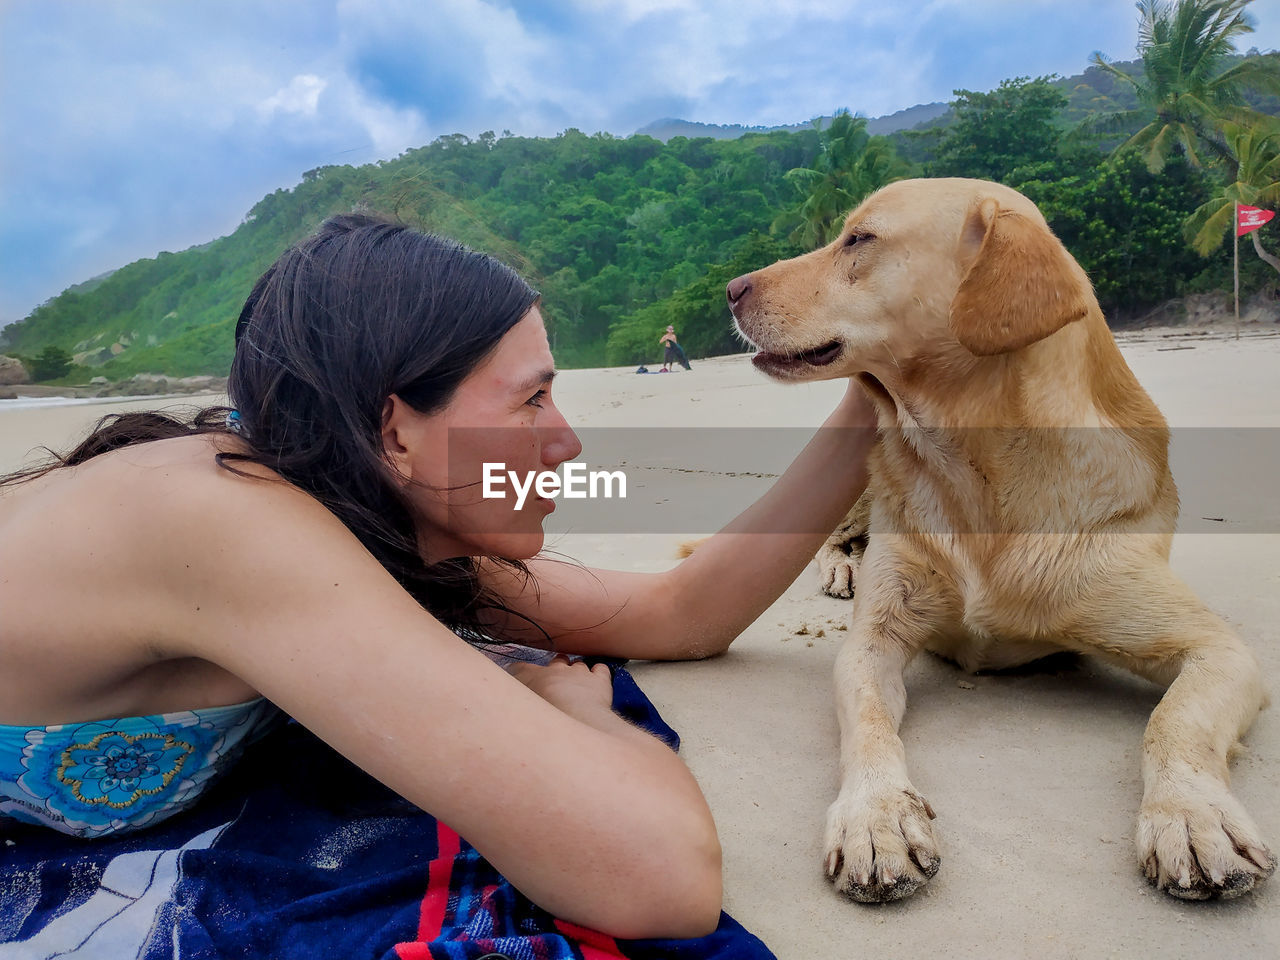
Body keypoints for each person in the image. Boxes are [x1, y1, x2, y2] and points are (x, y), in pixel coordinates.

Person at [0, 214, 875, 940]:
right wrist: (584, 720)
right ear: (394, 432)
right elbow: (660, 878)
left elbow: (678, 614)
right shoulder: (231, 528)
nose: (567, 441)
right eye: (532, 398)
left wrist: (870, 409)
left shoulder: (362, 508)